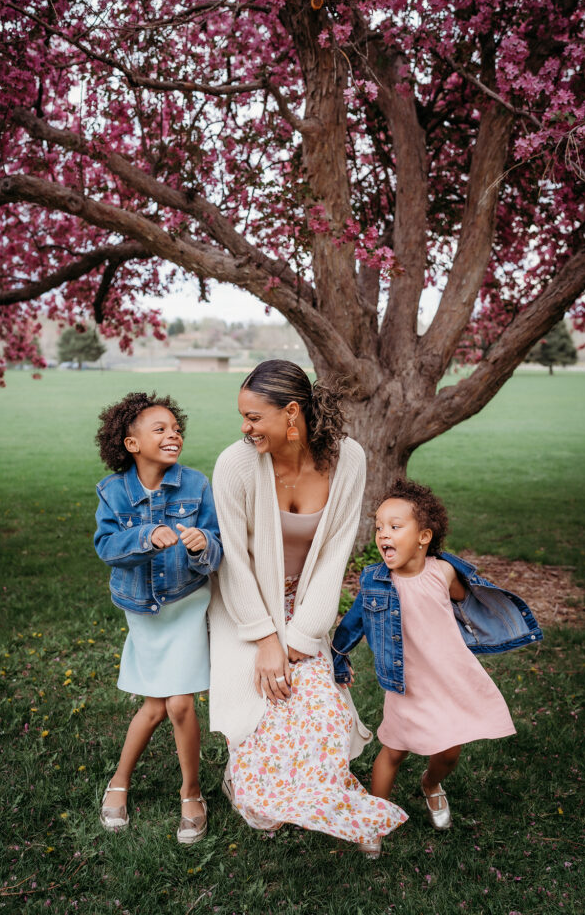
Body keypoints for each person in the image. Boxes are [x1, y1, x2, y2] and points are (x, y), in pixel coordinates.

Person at [208, 360, 408, 856]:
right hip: (246, 607)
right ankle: (261, 792)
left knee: (322, 714)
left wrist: (300, 638)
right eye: (243, 416)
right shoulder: (235, 464)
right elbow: (233, 563)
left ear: (291, 413)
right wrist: (266, 640)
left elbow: (336, 554)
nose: (244, 427)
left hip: (307, 607)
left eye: (255, 417)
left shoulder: (349, 460)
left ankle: (339, 806)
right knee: (262, 711)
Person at [332, 477, 543, 830]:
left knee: (448, 751)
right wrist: (339, 656)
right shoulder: (376, 583)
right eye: (379, 527)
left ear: (423, 537)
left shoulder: (443, 572)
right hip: (406, 683)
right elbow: (351, 626)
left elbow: (467, 603)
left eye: (395, 526)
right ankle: (373, 820)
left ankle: (431, 783)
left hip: (449, 678)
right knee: (395, 751)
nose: (383, 534)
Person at [94, 391, 222, 843]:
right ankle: (119, 782)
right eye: (160, 429)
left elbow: (217, 541)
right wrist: (147, 535)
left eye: (176, 428)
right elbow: (107, 548)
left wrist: (203, 544)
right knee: (153, 706)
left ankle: (191, 793)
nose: (174, 435)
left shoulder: (196, 485)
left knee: (180, 703)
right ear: (132, 444)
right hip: (144, 610)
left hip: (186, 602)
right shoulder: (113, 493)